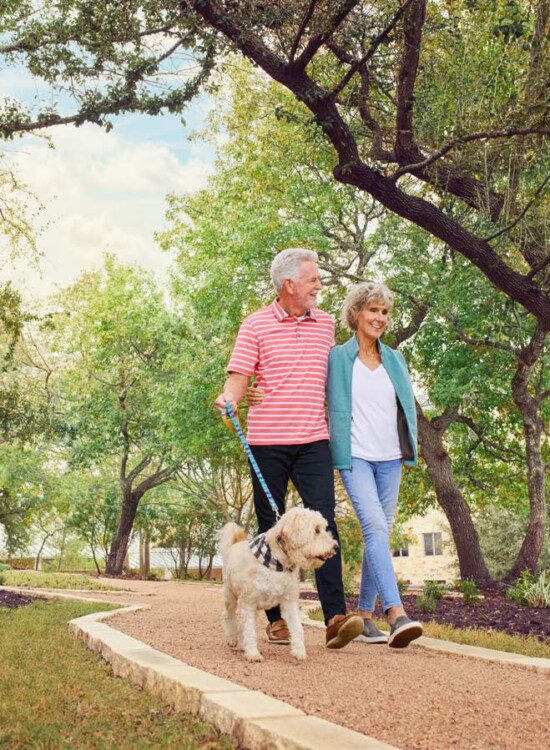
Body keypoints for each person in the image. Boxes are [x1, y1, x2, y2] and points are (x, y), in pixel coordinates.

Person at [215, 247, 363, 650]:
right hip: (267, 443)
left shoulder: (327, 324)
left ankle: (335, 616)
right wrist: (230, 400)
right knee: (271, 529)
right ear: (289, 285)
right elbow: (237, 381)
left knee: (324, 521)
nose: (319, 285)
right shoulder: (255, 326)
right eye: (313, 279)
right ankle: (277, 620)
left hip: (314, 439)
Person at [327, 282, 422, 647]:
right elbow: (303, 382)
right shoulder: (338, 357)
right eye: (372, 310)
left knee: (378, 534)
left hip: (390, 458)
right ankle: (396, 613)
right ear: (355, 314)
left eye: (384, 312)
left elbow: (405, 409)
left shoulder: (395, 359)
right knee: (375, 526)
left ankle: (365, 617)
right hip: (355, 458)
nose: (379, 318)